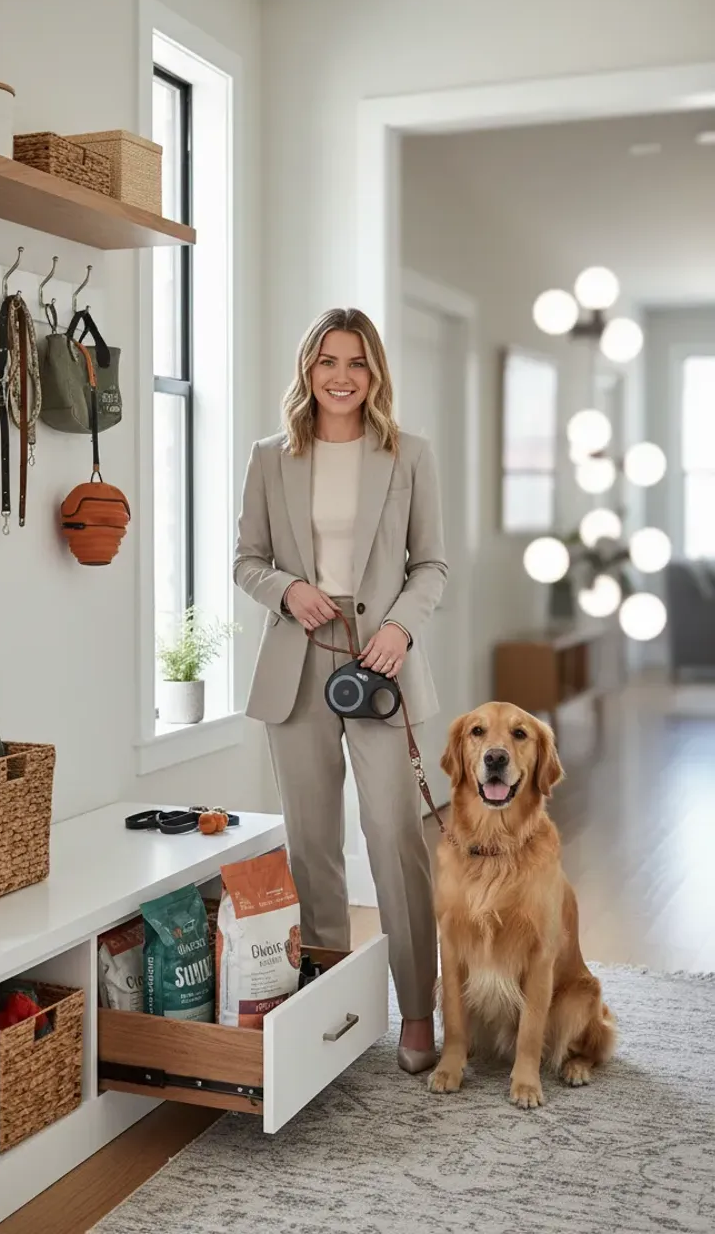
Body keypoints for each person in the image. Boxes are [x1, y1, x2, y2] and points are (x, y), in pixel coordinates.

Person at [233, 307, 447, 1072]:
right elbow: (247, 559)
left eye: (357, 362)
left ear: (374, 372)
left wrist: (400, 629)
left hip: (381, 664)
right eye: (328, 360)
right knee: (313, 845)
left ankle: (416, 1010)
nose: (342, 376)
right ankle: (331, 1011)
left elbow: (431, 564)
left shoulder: (409, 454)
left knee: (394, 836)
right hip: (298, 664)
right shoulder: (270, 456)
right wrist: (287, 590)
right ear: (308, 369)